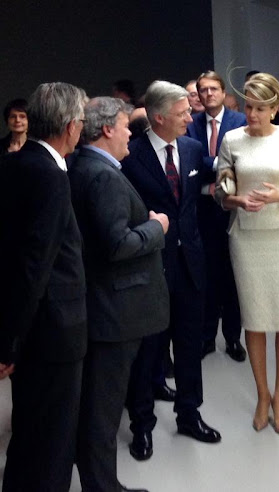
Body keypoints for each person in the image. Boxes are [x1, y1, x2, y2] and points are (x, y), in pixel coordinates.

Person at [68, 97, 170, 492]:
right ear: (108, 129)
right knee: (104, 408)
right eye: (126, 126)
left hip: (100, 304)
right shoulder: (105, 175)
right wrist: (156, 227)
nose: (131, 132)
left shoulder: (83, 165)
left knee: (98, 403)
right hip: (115, 310)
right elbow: (115, 245)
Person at [122, 81, 220, 462]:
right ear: (158, 117)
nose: (190, 117)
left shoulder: (194, 149)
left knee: (190, 346)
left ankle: (189, 414)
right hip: (150, 268)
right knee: (148, 351)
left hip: (190, 265)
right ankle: (142, 427)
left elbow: (213, 180)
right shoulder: (131, 156)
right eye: (182, 113)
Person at [0, 82, 87, 492]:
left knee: (28, 430)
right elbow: (36, 263)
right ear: (70, 126)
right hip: (53, 329)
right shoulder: (51, 175)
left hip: (30, 327)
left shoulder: (14, 162)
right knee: (52, 441)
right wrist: (11, 339)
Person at [215, 73, 279, 435]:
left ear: (275, 108)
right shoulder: (231, 140)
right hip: (247, 238)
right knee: (254, 320)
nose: (251, 114)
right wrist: (232, 198)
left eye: (260, 108)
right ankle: (261, 395)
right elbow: (222, 187)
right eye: (248, 107)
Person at [186, 71, 247, 362]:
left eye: (213, 89)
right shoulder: (191, 124)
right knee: (206, 275)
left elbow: (241, 161)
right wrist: (220, 163)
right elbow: (191, 160)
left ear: (223, 93)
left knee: (233, 275)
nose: (208, 94)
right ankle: (207, 337)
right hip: (202, 209)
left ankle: (234, 338)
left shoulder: (240, 122)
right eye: (203, 90)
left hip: (232, 208)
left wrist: (212, 163)